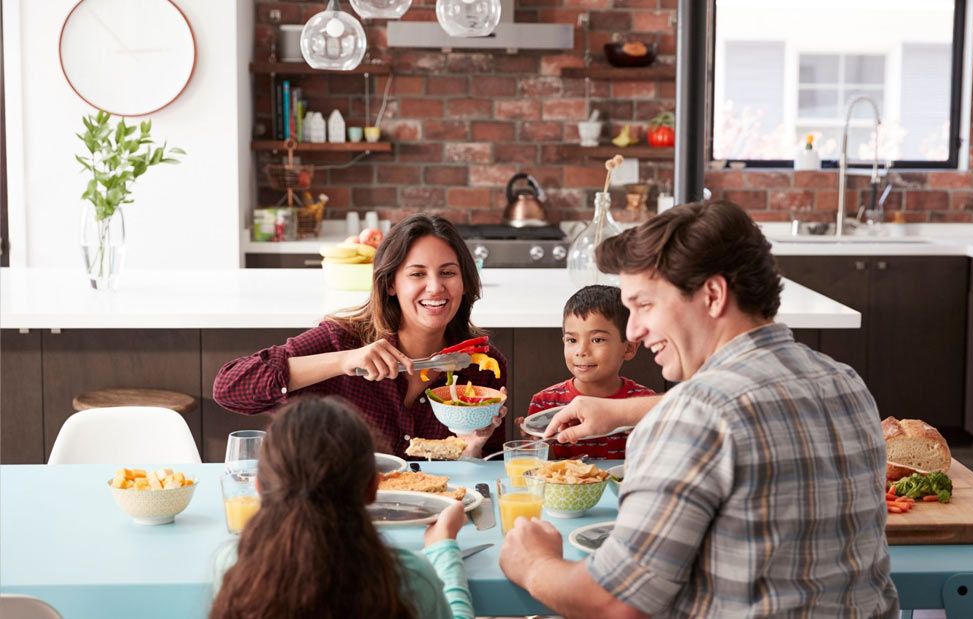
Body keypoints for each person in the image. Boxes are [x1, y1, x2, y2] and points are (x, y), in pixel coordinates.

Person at [500, 201, 898, 617]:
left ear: (712, 295)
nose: (634, 329)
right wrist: (621, 413)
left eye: (645, 305)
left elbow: (613, 602)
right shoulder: (844, 383)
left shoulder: (695, 415)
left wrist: (534, 564)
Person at [214, 214, 508, 458]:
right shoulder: (342, 341)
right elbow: (230, 389)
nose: (434, 288)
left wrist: (474, 449)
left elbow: (490, 472)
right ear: (391, 283)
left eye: (448, 273)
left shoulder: (483, 366)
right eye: (417, 274)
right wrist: (343, 362)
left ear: (465, 282)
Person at [210, 395, 473, 619]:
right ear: (373, 488)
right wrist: (444, 547)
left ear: (259, 487)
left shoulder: (235, 566)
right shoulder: (410, 576)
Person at [524, 285, 656, 459]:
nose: (581, 351)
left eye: (597, 340)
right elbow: (542, 467)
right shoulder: (545, 403)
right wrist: (535, 444)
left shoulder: (643, 404)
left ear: (629, 348)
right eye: (572, 340)